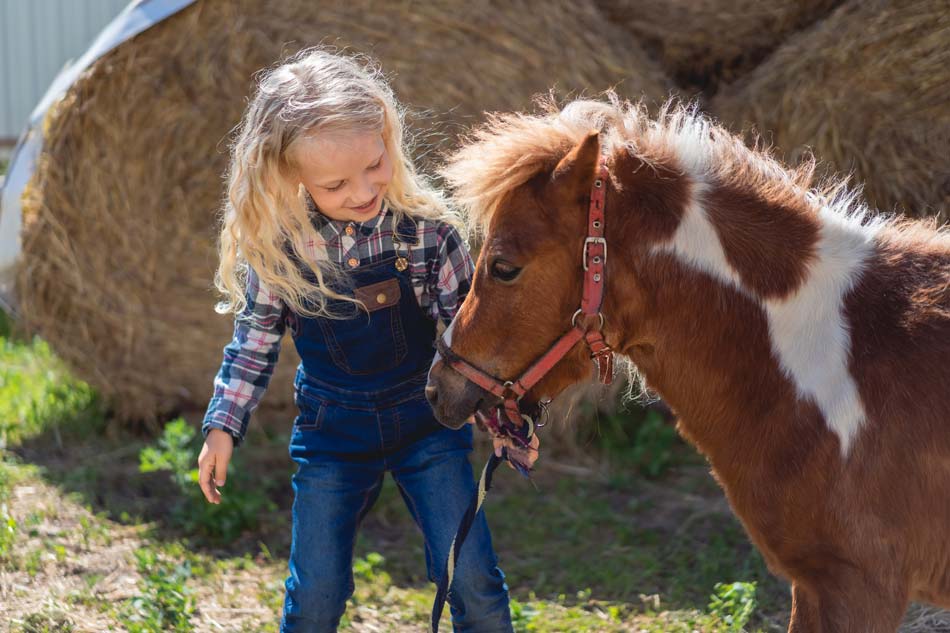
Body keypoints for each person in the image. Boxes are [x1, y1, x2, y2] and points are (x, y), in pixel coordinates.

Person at [196, 48, 521, 632]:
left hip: (427, 425)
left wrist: (504, 420)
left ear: (388, 138)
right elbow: (254, 342)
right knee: (315, 594)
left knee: (472, 578)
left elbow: (468, 344)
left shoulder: (428, 234)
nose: (363, 189)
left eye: (375, 164)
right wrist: (223, 425)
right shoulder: (280, 251)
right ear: (291, 176)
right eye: (336, 183)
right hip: (332, 436)